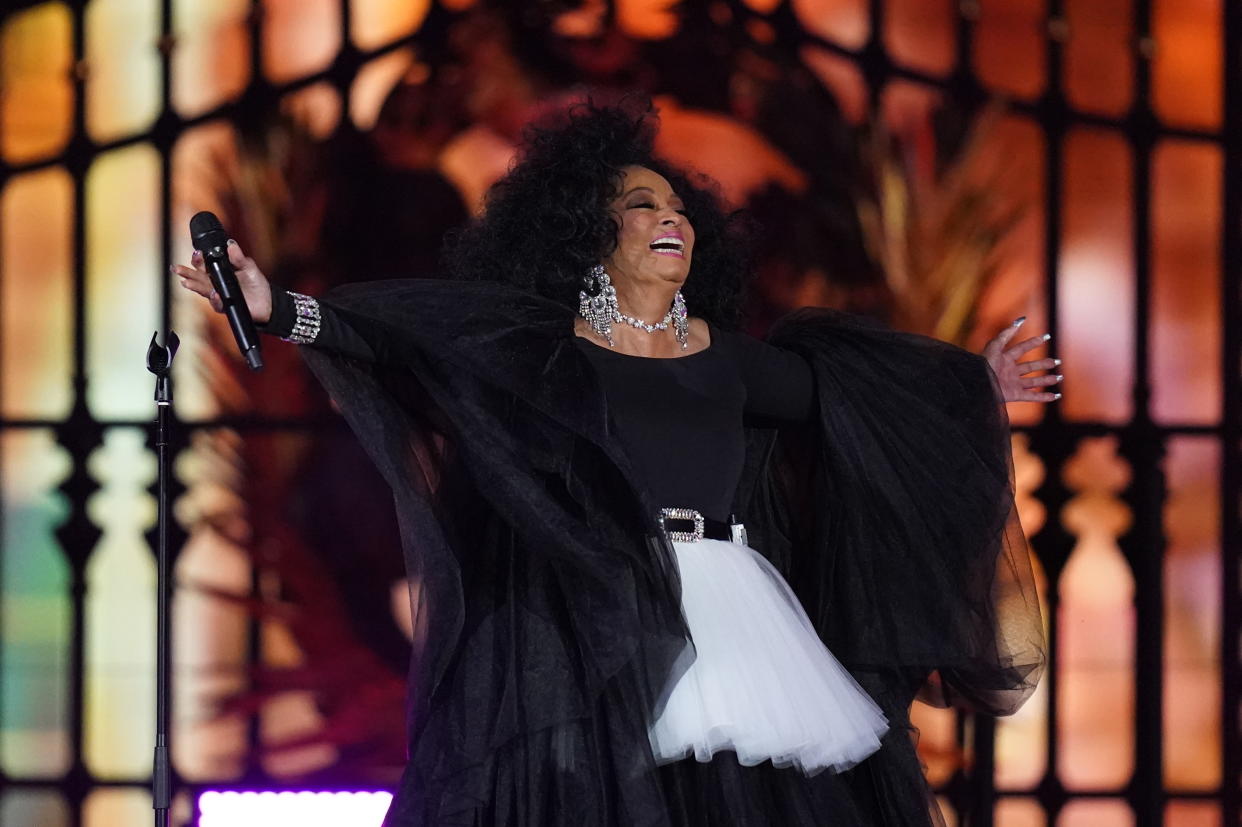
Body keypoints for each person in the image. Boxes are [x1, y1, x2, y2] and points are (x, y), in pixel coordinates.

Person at [174, 100, 1054, 827]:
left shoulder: (727, 356)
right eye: (641, 204)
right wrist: (278, 307)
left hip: (740, 620)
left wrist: (979, 382)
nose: (668, 216)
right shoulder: (548, 352)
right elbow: (404, 344)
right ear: (589, 235)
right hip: (595, 619)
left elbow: (857, 402)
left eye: (676, 207)